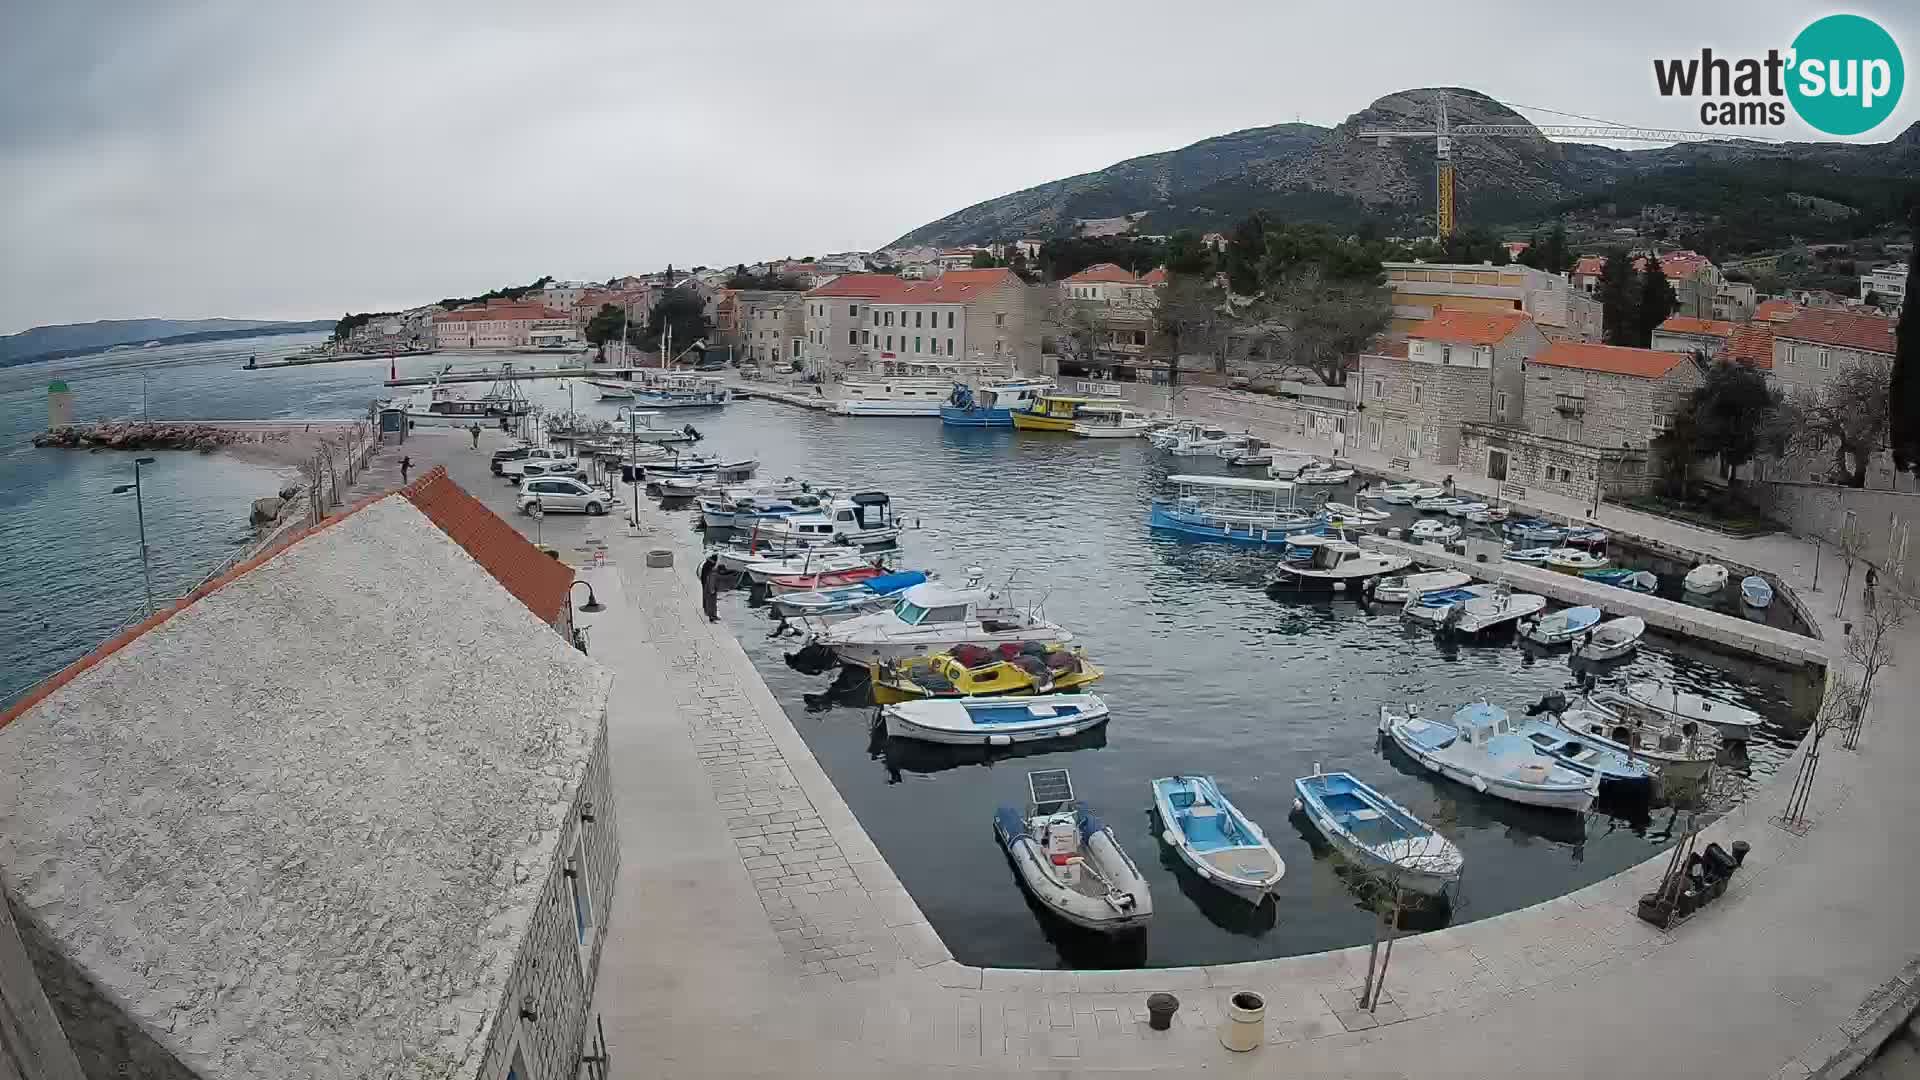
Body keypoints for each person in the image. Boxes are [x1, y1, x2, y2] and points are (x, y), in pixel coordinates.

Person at [698, 554, 721, 622]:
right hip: (709, 585)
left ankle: (712, 614)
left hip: (707, 582)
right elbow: (711, 580)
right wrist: (712, 589)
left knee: (710, 599)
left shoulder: (708, 566)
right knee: (711, 600)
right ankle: (712, 617)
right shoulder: (711, 571)